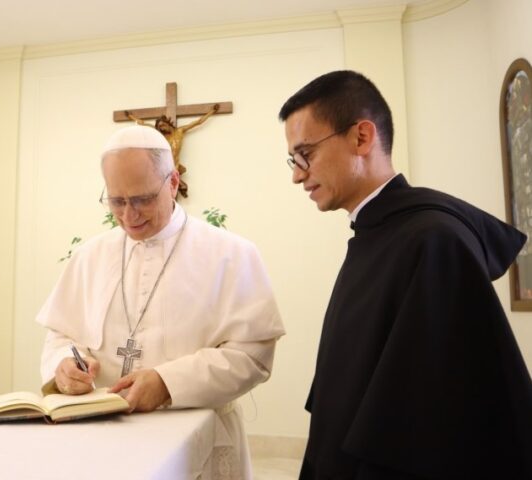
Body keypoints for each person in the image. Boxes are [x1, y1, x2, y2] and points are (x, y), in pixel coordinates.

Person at [279, 70, 532, 479]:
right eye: (293, 159)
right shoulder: (378, 231)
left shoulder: (433, 242)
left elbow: (424, 425)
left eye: (305, 153)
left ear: (362, 137)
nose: (297, 174)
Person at [36, 124, 285, 479]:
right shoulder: (90, 255)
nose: (129, 215)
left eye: (142, 199)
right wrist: (63, 367)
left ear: (172, 183)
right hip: (97, 441)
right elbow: (60, 336)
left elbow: (252, 356)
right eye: (117, 201)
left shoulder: (231, 254)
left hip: (196, 438)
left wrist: (167, 384)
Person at [126, 103, 219, 198]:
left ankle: (179, 186)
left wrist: (212, 111)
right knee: (164, 184)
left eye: (162, 125)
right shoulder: (160, 135)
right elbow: (143, 124)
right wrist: (131, 116)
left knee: (174, 184)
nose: (161, 128)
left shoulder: (180, 131)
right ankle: (179, 186)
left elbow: (198, 122)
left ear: (168, 123)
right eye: (159, 127)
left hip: (175, 165)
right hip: (162, 164)